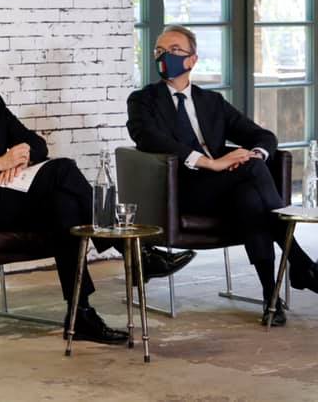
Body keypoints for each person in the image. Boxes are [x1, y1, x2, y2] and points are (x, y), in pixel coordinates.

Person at [0, 34, 192, 344]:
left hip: (5, 193)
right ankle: (135, 253)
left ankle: (80, 314)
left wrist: (19, 157)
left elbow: (37, 144)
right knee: (63, 168)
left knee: (65, 206)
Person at [127, 24, 318, 326]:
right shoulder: (143, 100)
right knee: (251, 175)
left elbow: (262, 135)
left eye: (174, 50)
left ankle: (270, 297)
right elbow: (148, 138)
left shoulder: (211, 102)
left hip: (226, 189)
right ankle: (300, 263)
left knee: (250, 198)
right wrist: (209, 163)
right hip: (181, 190)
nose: (164, 56)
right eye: (159, 51)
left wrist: (256, 154)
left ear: (192, 60)